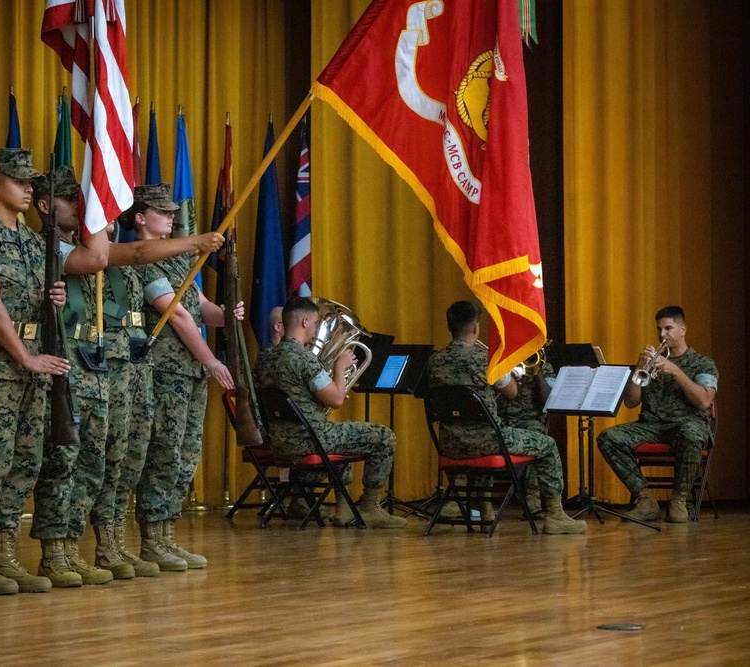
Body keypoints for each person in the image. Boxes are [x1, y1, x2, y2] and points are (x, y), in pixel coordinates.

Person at [30, 169, 226, 582]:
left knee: (117, 462)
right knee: (68, 462)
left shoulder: (108, 252)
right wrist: (196, 241)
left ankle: (111, 544)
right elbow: (129, 257)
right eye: (72, 201)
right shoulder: (48, 250)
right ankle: (58, 551)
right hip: (74, 366)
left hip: (118, 369)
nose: (86, 209)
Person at [0, 148, 75, 596]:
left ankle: (5, 555)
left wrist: (54, 300)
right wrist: (25, 357)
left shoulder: (33, 242)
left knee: (26, 462)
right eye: (21, 181)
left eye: (31, 183)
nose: (29, 189)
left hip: (33, 365)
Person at [131, 183, 242, 571]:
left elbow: (200, 307)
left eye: (173, 211)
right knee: (163, 453)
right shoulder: (141, 259)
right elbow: (174, 313)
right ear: (141, 217)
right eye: (162, 212)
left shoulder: (180, 260)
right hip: (166, 372)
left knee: (184, 455)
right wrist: (212, 360)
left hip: (188, 372)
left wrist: (226, 313)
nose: (171, 217)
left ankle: (168, 536)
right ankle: (151, 539)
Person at [425, 300, 586, 535]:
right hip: (487, 442)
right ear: (475, 328)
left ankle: (486, 512)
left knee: (489, 436)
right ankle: (554, 515)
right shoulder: (488, 361)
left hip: (450, 445)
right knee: (548, 445)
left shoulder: (434, 361)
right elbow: (512, 393)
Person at [254, 296, 407, 529]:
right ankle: (369, 506)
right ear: (305, 322)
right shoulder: (304, 359)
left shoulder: (264, 358)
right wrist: (339, 368)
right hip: (311, 439)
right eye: (315, 323)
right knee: (384, 436)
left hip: (279, 441)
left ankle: (316, 503)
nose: (316, 329)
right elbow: (335, 399)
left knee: (343, 439)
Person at [597, 306, 718, 523]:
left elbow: (703, 401)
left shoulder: (703, 363)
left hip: (686, 424)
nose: (662, 334)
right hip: (651, 426)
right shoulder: (653, 362)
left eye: (668, 328)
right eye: (659, 329)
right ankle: (645, 501)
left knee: (691, 433)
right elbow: (631, 401)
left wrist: (675, 371)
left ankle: (679, 500)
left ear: (683, 330)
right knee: (608, 437)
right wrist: (639, 368)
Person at [497, 351, 555, 517]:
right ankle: (476, 504)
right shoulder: (501, 361)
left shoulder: (545, 366)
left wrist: (537, 372)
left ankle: (533, 501)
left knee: (539, 437)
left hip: (528, 421)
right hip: (499, 421)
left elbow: (547, 400)